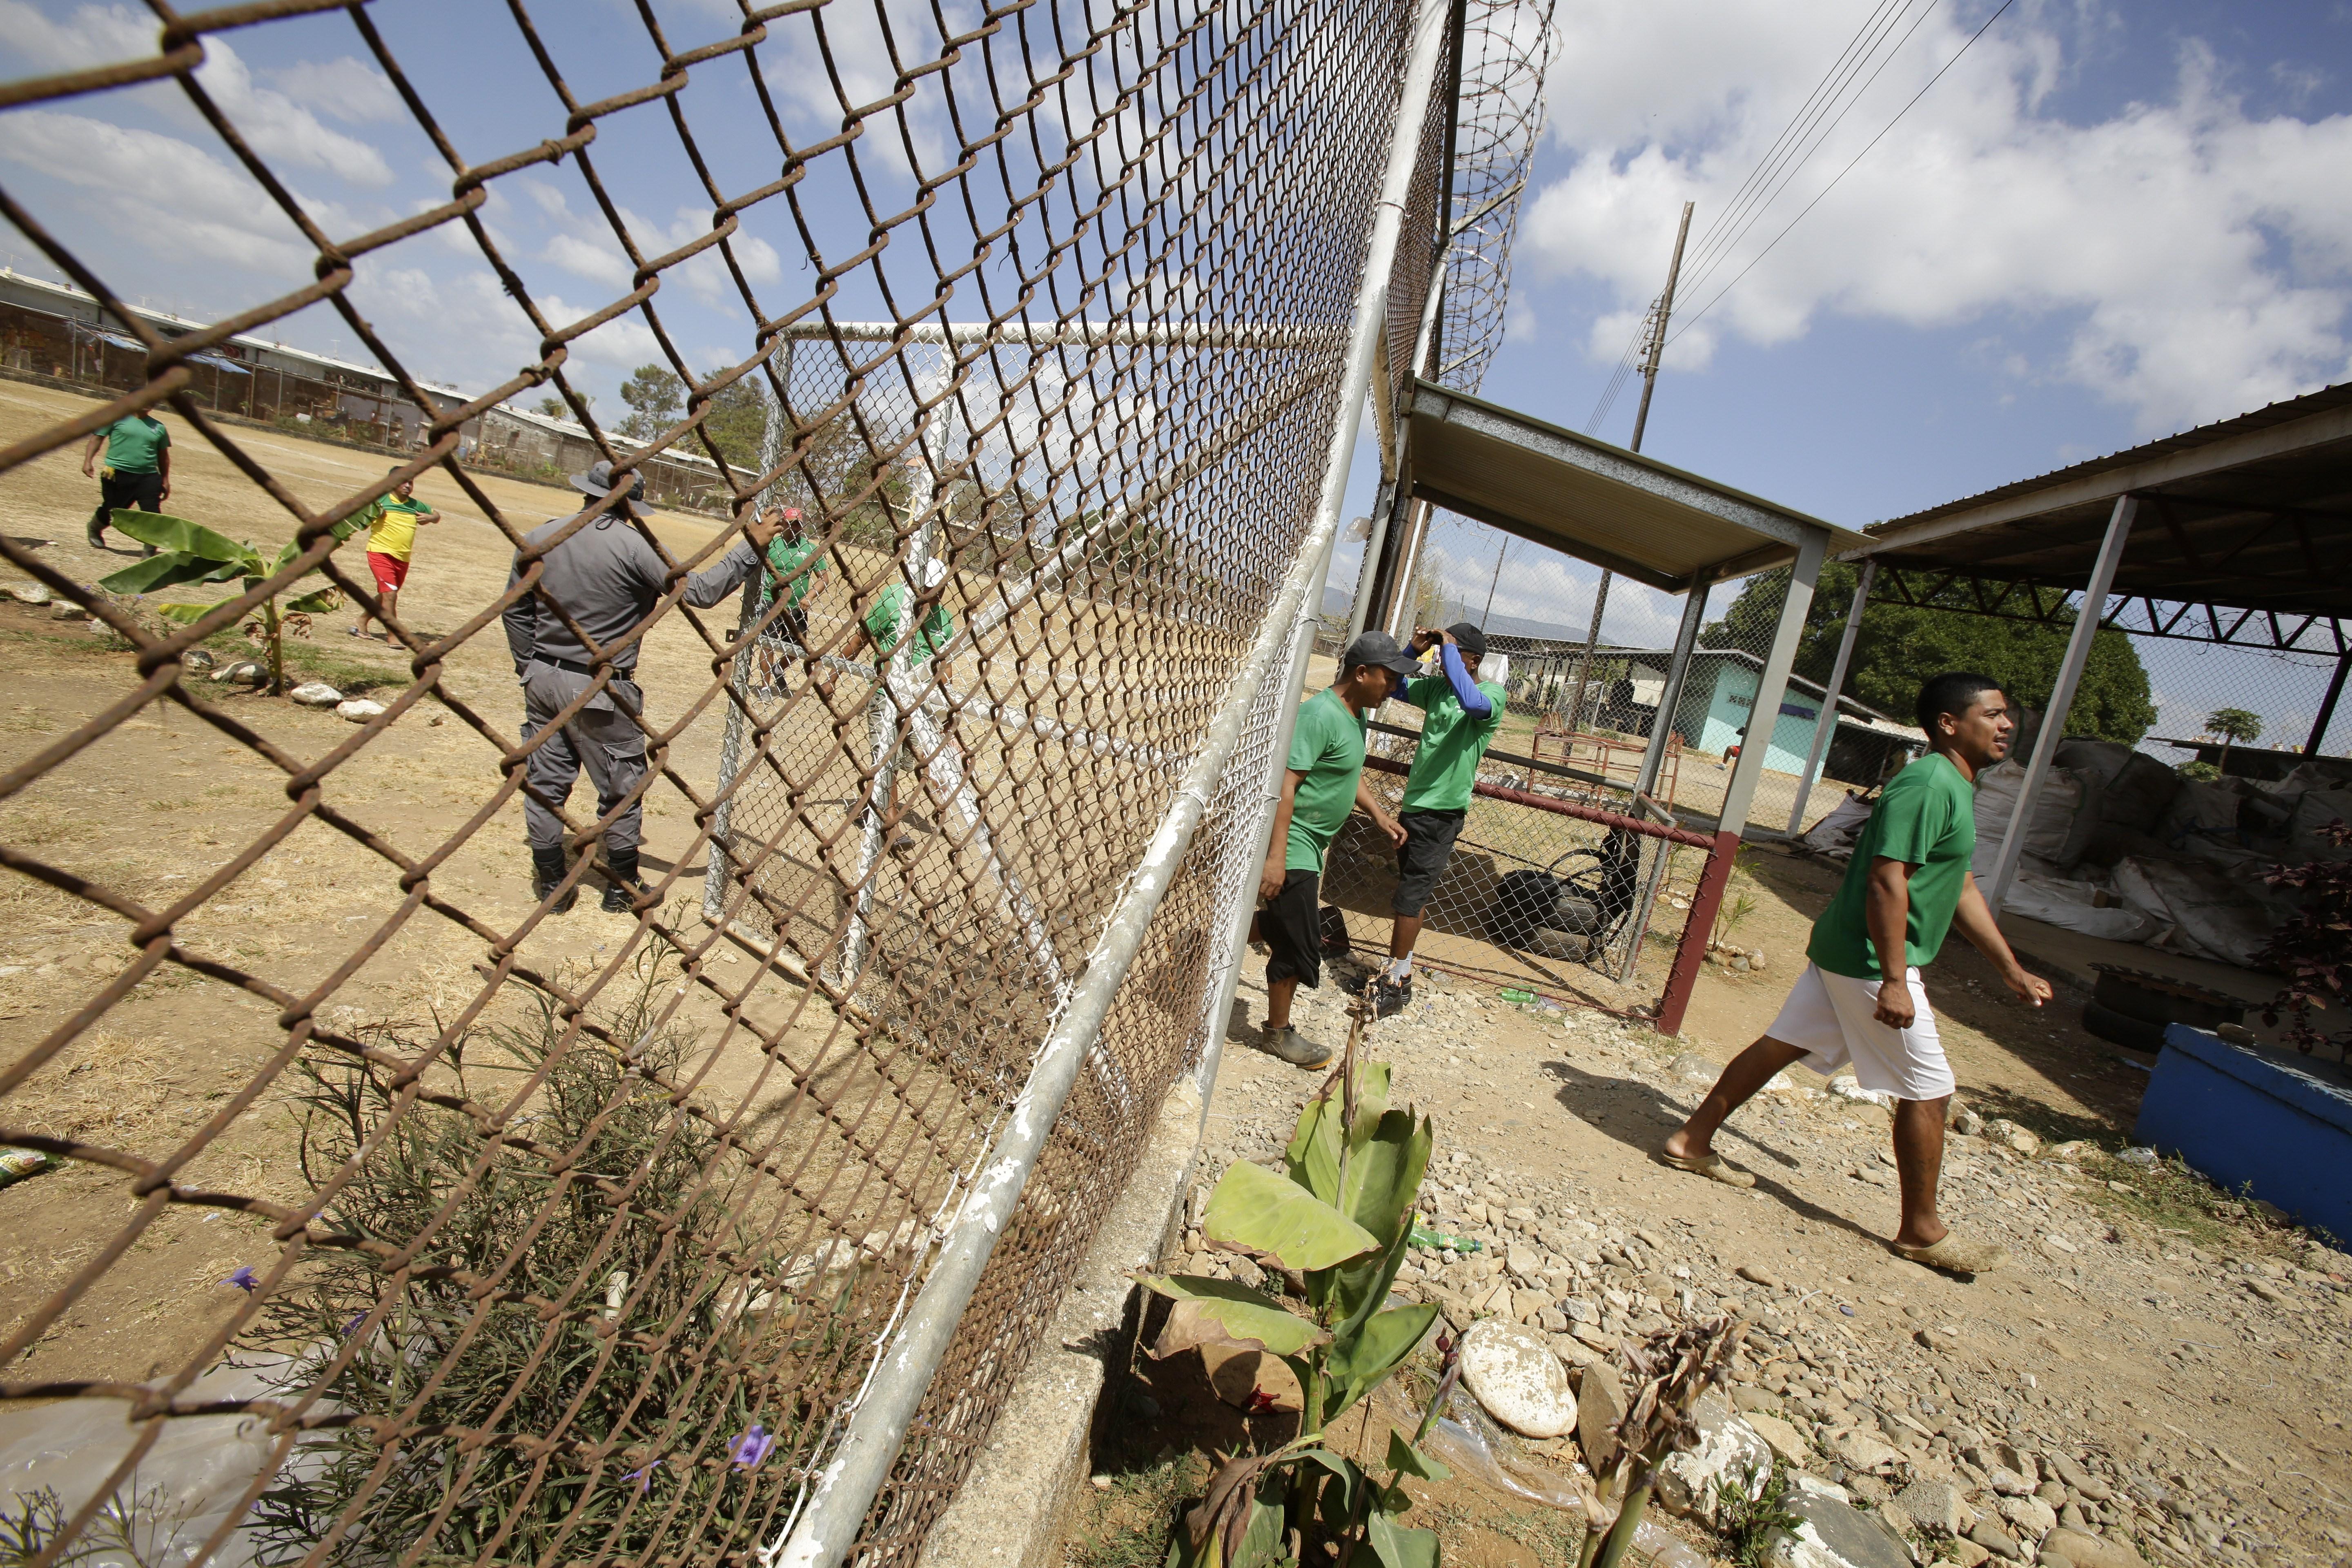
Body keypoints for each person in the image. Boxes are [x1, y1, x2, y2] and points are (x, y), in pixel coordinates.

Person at [1658, 671, 2055, 1275]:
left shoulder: (1953, 785)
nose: (2008, 725)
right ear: (1950, 724)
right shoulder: (1928, 785)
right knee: (1930, 1087)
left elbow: (1960, 883)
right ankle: (1922, 1230)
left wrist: (2010, 968)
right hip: (1872, 960)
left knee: (1781, 1044)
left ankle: (1691, 1140)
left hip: (1851, 951)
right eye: (1994, 714)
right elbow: (1885, 880)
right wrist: (1896, 979)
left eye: (2008, 715)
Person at [503, 459, 778, 913]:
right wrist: (750, 547)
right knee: (620, 786)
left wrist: (530, 667)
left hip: (544, 678)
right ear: (631, 505)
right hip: (601, 686)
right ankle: (622, 885)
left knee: (545, 782)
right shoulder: (634, 547)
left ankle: (552, 880)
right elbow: (702, 593)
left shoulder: (540, 537)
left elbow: (514, 611)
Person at [1256, 630, 1421, 1068]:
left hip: (1311, 843)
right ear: (1362, 673)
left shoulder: (1355, 714)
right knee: (1300, 948)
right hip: (1293, 843)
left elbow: (1347, 772)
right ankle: (1278, 1033)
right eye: (1388, 678)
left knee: (1287, 924)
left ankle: (1205, 943)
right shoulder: (1320, 715)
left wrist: (1378, 814)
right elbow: (1285, 786)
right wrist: (1275, 859)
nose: (1393, 688)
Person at [1369, 621, 1508, 1018]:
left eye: (1450, 651)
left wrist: (1447, 652)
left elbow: (1474, 704)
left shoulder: (1490, 695)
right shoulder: (1438, 689)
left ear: (1473, 660)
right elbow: (1393, 686)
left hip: (1443, 814)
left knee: (1408, 901)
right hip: (1414, 807)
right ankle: (1406, 974)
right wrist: (1413, 651)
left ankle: (1394, 984)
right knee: (1411, 899)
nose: (1442, 659)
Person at [856, 556, 956, 855]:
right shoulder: (893, 601)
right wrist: (833, 672)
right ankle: (891, 822)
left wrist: (948, 704)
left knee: (906, 759)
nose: (933, 595)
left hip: (921, 696)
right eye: (927, 588)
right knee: (888, 754)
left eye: (938, 589)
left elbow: (944, 664)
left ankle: (869, 806)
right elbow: (863, 636)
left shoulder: (945, 618)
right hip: (887, 691)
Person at [349, 467, 440, 640]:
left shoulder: (415, 505)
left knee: (387, 594)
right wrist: (372, 515)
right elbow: (355, 510)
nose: (408, 486)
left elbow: (436, 515)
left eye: (411, 482)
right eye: (404, 482)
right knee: (390, 595)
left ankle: (361, 622)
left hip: (403, 558)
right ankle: (394, 635)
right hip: (380, 553)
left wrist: (431, 518)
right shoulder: (380, 501)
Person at [753, 505, 827, 693]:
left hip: (797, 608)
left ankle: (778, 669)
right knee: (768, 644)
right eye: (791, 524)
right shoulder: (772, 544)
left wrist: (810, 596)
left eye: (798, 525)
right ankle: (765, 687)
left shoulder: (810, 549)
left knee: (799, 648)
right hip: (771, 602)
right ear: (783, 524)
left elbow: (824, 578)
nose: (795, 528)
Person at [80, 410, 171, 553]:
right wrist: (88, 462)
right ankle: (94, 527)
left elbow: (163, 456)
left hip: (148, 477)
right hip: (116, 473)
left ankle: (150, 548)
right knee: (115, 510)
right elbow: (97, 439)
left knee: (152, 512)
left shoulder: (159, 427)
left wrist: (165, 479)